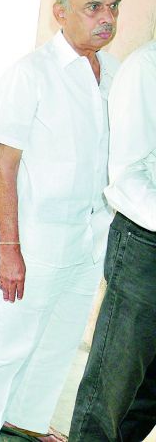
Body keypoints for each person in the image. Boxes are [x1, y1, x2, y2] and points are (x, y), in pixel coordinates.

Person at [0, 0, 122, 442]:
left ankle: (24, 420)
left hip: (91, 236)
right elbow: (4, 168)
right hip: (38, 238)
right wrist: (10, 248)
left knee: (60, 339)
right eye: (94, 7)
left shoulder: (115, 72)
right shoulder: (31, 73)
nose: (106, 18)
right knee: (9, 338)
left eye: (114, 7)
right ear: (60, 13)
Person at [68, 40, 156, 441]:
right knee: (113, 388)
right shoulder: (146, 68)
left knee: (151, 391)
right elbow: (126, 174)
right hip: (145, 245)